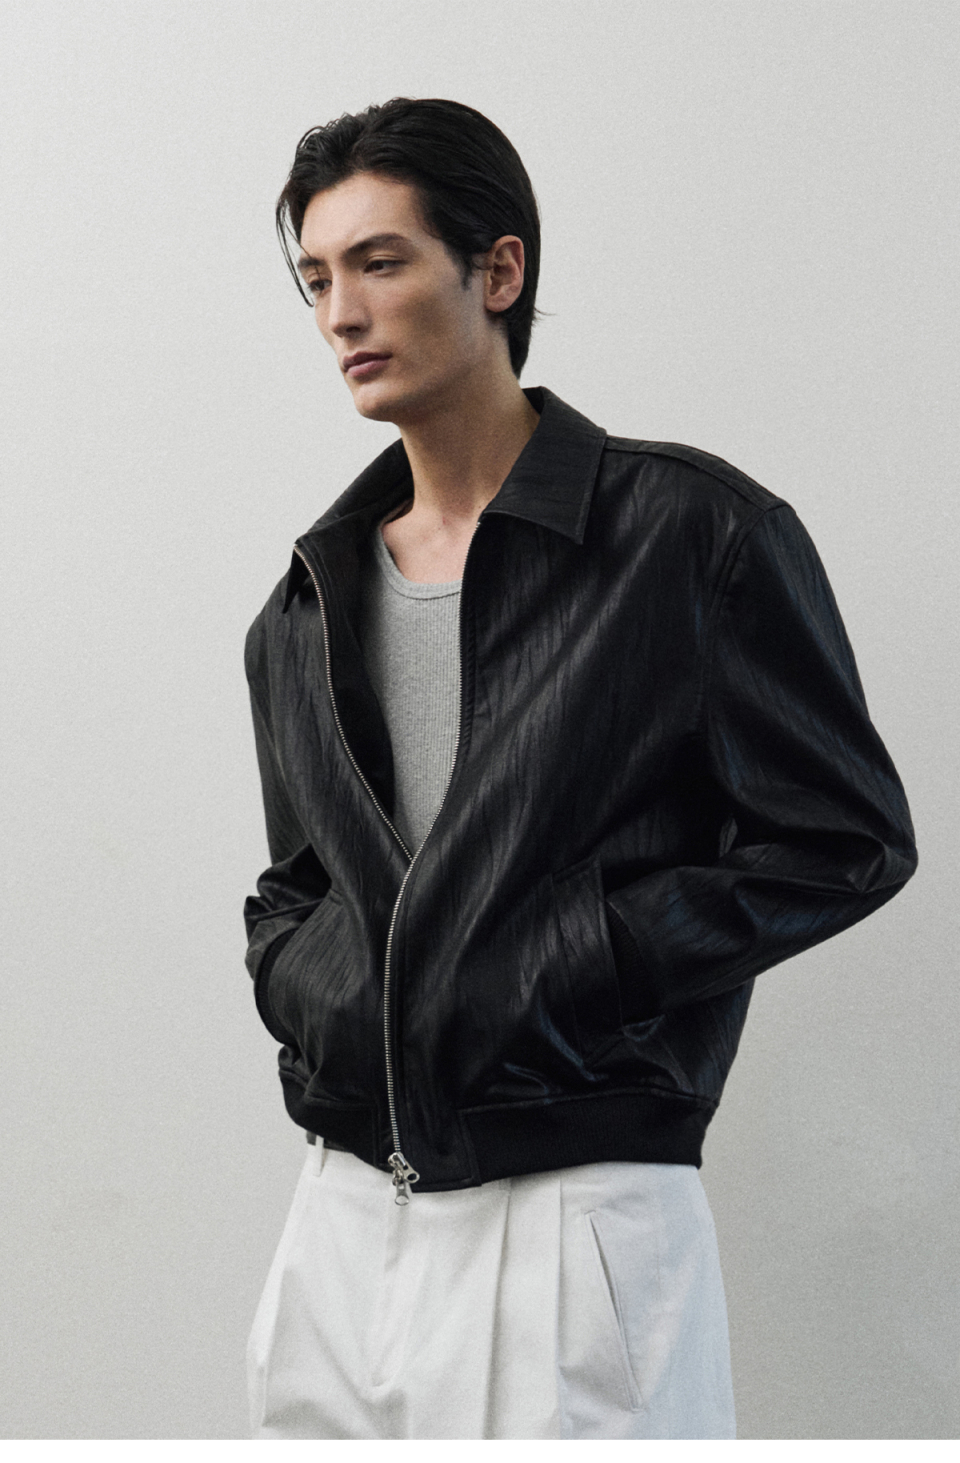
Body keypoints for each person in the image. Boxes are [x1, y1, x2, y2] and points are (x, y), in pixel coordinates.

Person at [242, 98, 916, 1440]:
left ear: (498, 270)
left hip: (578, 1212)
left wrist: (576, 962)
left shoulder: (690, 537)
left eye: (380, 262)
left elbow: (845, 840)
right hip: (340, 1219)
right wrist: (310, 986)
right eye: (316, 277)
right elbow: (298, 884)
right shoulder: (306, 603)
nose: (340, 313)